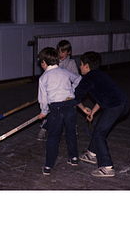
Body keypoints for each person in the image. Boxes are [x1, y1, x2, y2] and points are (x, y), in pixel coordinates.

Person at [75, 51, 130, 177]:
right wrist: (92, 112)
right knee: (99, 128)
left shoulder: (88, 78)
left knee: (99, 133)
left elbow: (76, 97)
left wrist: (83, 109)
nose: (80, 67)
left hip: (114, 107)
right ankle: (91, 154)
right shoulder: (101, 75)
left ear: (87, 66)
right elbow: (103, 97)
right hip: (125, 105)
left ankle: (107, 167)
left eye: (81, 64)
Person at [37, 47, 82, 176]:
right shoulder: (65, 72)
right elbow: (79, 79)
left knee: (53, 137)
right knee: (71, 132)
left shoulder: (43, 78)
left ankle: (48, 166)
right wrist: (71, 91)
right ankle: (74, 158)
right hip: (71, 105)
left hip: (56, 108)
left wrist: (43, 112)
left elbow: (43, 99)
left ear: (44, 62)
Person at [37, 40, 78, 141]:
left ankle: (72, 129)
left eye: (63, 52)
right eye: (59, 52)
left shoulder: (71, 63)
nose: (61, 54)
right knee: (54, 116)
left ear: (69, 52)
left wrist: (71, 89)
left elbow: (76, 77)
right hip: (56, 95)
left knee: (66, 115)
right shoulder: (55, 63)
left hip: (67, 94)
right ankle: (43, 129)